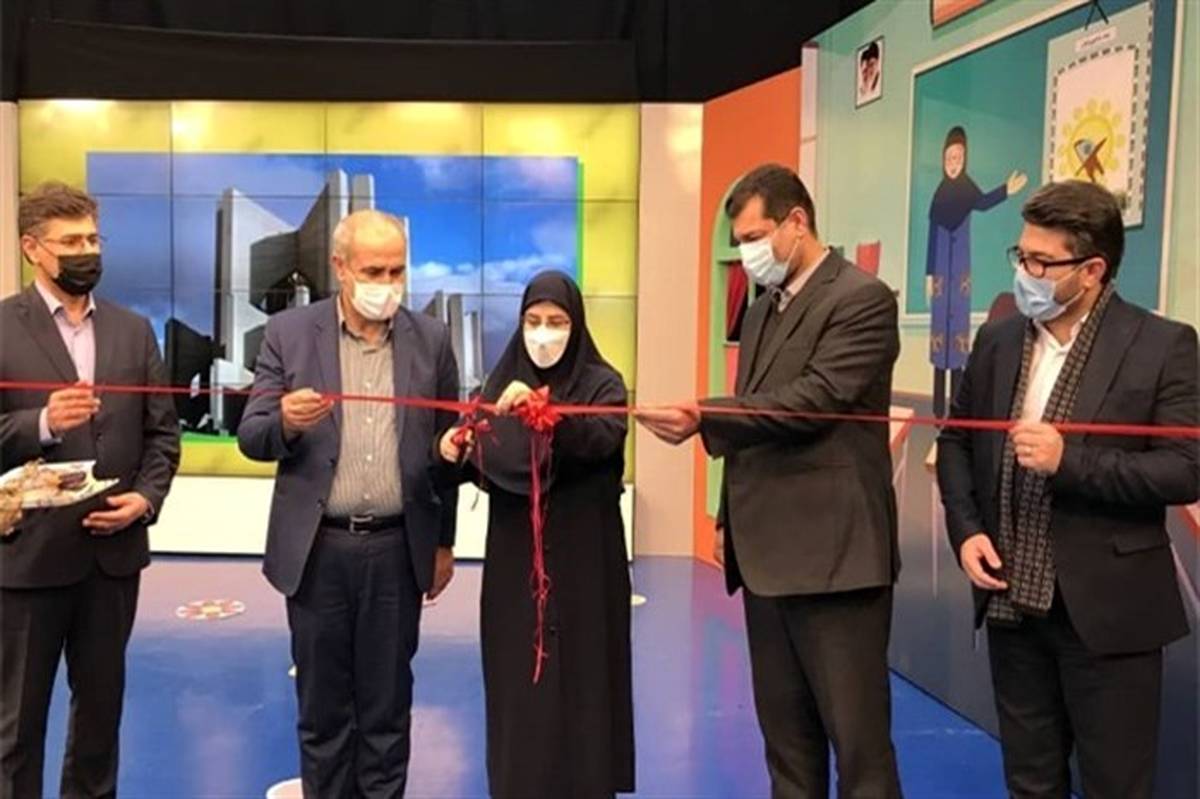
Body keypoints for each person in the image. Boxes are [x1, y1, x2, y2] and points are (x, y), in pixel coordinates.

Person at [638, 164, 903, 798]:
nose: (748, 253)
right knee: (787, 749)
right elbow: (754, 417)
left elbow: (813, 402)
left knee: (859, 751)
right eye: (740, 242)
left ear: (797, 222)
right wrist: (728, 519)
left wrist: (704, 416)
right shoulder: (760, 313)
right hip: (766, 562)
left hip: (836, 560)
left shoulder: (862, 299)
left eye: (755, 237)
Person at [937, 180, 1198, 799]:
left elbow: (1185, 469)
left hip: (1109, 614)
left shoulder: (1163, 345)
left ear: (1092, 271)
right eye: (1021, 255)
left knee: (1115, 783)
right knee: (1030, 781)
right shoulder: (999, 340)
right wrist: (967, 530)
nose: (1024, 273)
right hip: (1011, 604)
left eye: (1041, 262)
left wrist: (1069, 461)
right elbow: (955, 441)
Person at [238, 209, 460, 798]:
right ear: (340, 267)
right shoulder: (289, 334)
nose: (387, 284)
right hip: (318, 552)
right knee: (323, 711)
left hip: (397, 550)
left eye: (397, 271)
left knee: (388, 710)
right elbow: (252, 436)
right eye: (373, 271)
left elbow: (449, 451)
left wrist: (443, 543)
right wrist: (285, 422)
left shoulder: (432, 340)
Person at [0, 181, 181, 798]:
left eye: (93, 239)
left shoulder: (134, 331)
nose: (87, 252)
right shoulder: (3, 327)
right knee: (16, 728)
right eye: (71, 242)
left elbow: (163, 435)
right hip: (27, 559)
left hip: (112, 562)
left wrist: (146, 499)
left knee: (100, 721)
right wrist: (42, 423)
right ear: (32, 248)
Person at [439, 271, 634, 799]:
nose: (543, 333)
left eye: (556, 321)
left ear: (577, 325)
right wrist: (452, 451)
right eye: (533, 320)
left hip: (585, 566)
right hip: (515, 571)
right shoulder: (496, 388)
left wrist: (546, 416)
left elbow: (600, 438)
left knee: (585, 687)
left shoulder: (603, 385)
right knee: (519, 690)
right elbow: (478, 460)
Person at [926, 125, 1027, 416]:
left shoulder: (967, 189)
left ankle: (956, 409)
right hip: (941, 274)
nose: (953, 164)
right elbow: (932, 236)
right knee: (939, 337)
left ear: (965, 159)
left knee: (958, 338)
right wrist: (929, 274)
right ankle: (937, 408)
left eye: (958, 158)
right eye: (949, 158)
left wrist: (1006, 190)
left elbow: (982, 203)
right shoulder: (939, 194)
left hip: (959, 271)